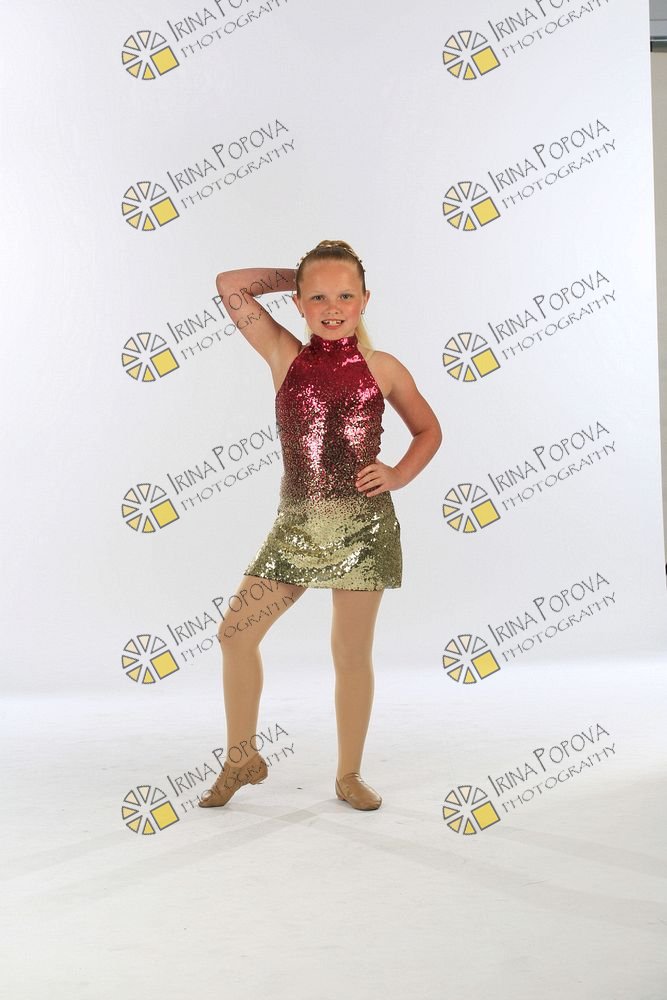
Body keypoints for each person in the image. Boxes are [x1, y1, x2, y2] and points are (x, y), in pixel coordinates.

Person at [199, 240, 442, 812]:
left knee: (350, 654)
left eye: (345, 296)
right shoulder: (284, 354)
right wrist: (301, 275)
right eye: (318, 298)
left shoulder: (383, 368)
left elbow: (428, 430)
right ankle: (241, 758)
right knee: (235, 634)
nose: (332, 308)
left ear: (365, 300)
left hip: (363, 531)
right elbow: (230, 283)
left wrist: (398, 474)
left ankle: (349, 774)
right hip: (297, 529)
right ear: (299, 303)